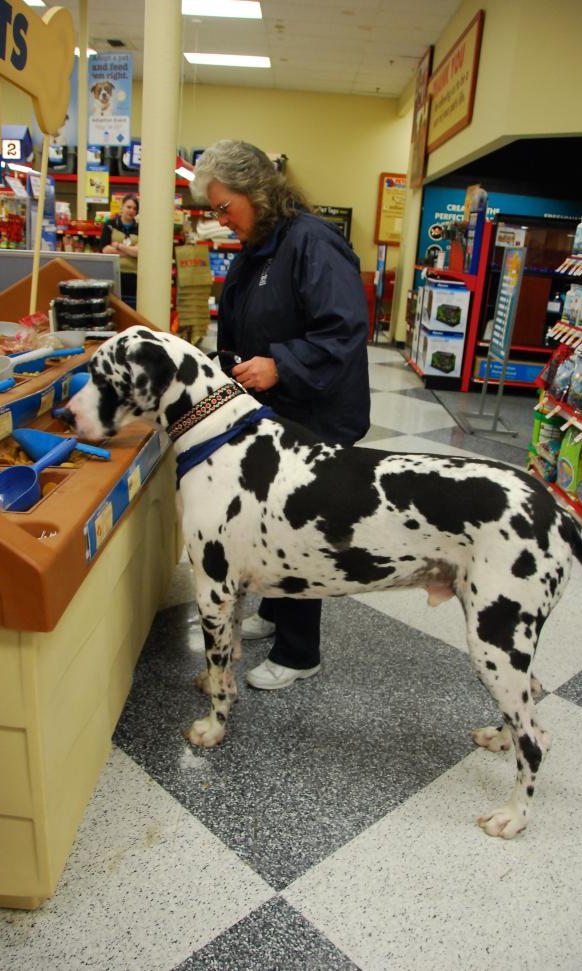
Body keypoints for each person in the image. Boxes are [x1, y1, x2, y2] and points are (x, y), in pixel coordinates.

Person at [191, 139, 370, 691]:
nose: (221, 220)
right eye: (214, 211)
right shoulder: (264, 242)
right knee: (270, 518)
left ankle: (299, 653)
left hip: (316, 409)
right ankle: (275, 612)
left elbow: (343, 329)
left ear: (257, 192)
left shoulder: (313, 242)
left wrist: (280, 365)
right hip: (275, 409)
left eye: (225, 208)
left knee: (300, 528)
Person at [99, 193, 139, 307]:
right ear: (122, 207)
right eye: (128, 207)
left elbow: (139, 252)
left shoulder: (140, 228)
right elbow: (105, 250)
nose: (131, 210)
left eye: (134, 208)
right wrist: (130, 251)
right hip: (113, 277)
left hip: (133, 279)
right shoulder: (109, 225)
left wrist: (118, 246)